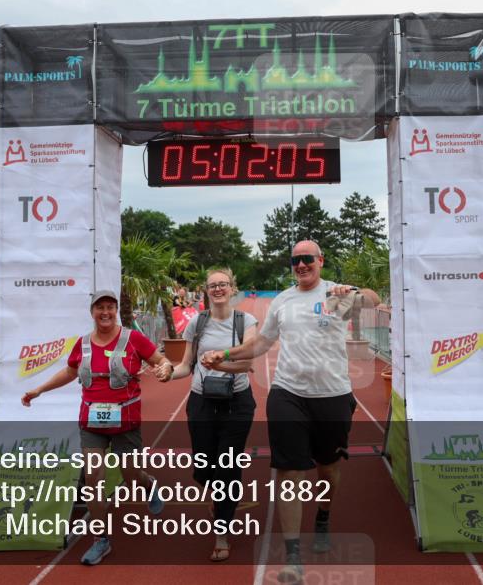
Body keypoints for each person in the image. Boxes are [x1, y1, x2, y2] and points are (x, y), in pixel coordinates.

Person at [202, 240, 379, 583]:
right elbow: (260, 343)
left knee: (328, 470)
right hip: (287, 394)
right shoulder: (282, 301)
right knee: (288, 473)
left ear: (320, 261)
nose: (301, 265)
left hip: (332, 395)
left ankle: (323, 515)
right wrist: (225, 354)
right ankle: (293, 555)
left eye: (307, 259)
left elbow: (373, 301)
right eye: (295, 260)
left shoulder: (337, 294)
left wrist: (356, 292)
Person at [22, 290, 172, 566]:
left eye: (110, 307)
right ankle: (100, 540)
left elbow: (161, 360)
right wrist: (39, 389)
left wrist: (165, 368)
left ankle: (149, 484)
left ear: (116, 311)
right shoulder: (82, 344)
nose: (105, 312)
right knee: (93, 480)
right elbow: (70, 372)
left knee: (131, 479)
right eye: (100, 307)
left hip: (126, 421)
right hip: (92, 423)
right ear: (92, 312)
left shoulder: (133, 338)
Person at [160, 268, 259, 562]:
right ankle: (221, 497)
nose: (218, 289)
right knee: (203, 470)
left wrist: (219, 364)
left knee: (227, 467)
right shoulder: (198, 323)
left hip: (236, 403)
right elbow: (186, 365)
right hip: (201, 402)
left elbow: (247, 363)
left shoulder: (245, 321)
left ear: (232, 288)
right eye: (212, 285)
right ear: (206, 290)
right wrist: (168, 373)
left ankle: (221, 533)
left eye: (223, 284)